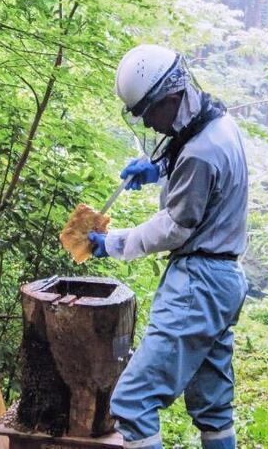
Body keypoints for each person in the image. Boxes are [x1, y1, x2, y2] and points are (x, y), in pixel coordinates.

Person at [87, 44, 249, 449]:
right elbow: (197, 164)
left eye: (150, 113)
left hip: (199, 284)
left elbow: (174, 228)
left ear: (171, 97)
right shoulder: (219, 124)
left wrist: (113, 243)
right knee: (212, 404)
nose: (151, 125)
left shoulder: (199, 154)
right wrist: (159, 169)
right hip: (224, 281)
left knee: (132, 400)